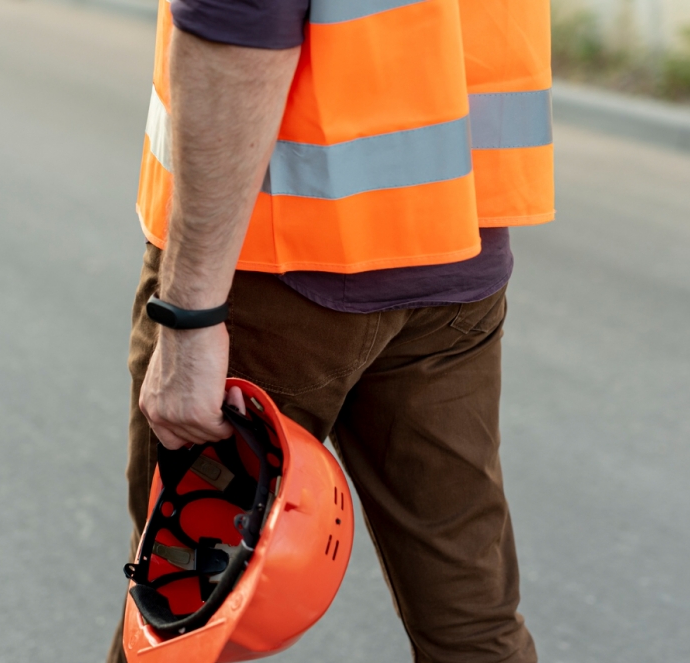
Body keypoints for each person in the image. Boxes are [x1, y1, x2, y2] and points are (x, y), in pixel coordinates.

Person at [108, 0, 554, 661]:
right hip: (454, 244)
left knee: (185, 621)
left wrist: (190, 316)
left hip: (276, 263)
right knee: (470, 622)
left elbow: (237, 33)